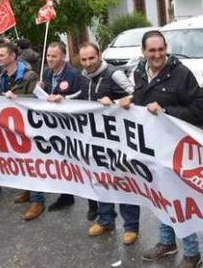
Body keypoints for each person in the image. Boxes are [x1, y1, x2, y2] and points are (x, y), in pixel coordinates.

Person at [121, 30, 203, 268]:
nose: (157, 55)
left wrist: (166, 110)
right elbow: (139, 102)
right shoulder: (138, 72)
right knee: (160, 196)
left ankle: (192, 253)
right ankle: (167, 241)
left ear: (166, 48)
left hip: (177, 149)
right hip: (151, 148)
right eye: (152, 50)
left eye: (161, 50)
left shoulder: (182, 74)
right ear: (143, 52)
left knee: (178, 199)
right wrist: (128, 101)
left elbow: (199, 110)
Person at [48, 43, 137, 241]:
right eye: (84, 59)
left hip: (119, 140)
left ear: (99, 56)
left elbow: (136, 95)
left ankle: (131, 226)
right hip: (94, 139)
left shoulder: (114, 74)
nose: (88, 63)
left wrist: (114, 103)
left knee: (124, 181)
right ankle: (105, 219)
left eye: (92, 58)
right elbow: (79, 96)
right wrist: (62, 99)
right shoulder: (83, 76)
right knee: (100, 179)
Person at [31, 41, 83, 216]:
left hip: (69, 126)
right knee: (58, 159)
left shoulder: (74, 74)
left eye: (54, 56)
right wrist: (38, 89)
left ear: (63, 56)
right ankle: (66, 195)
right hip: (51, 125)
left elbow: (81, 97)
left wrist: (63, 98)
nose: (50, 59)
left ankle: (92, 203)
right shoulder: (45, 74)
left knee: (74, 159)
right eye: (48, 56)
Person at [0, 43, 41, 205]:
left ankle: (38, 200)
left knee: (33, 161)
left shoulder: (29, 76)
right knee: (21, 160)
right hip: (13, 125)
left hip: (29, 125)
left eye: (1, 55)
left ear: (12, 56)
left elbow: (38, 99)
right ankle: (27, 190)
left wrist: (18, 98)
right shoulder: (3, 77)